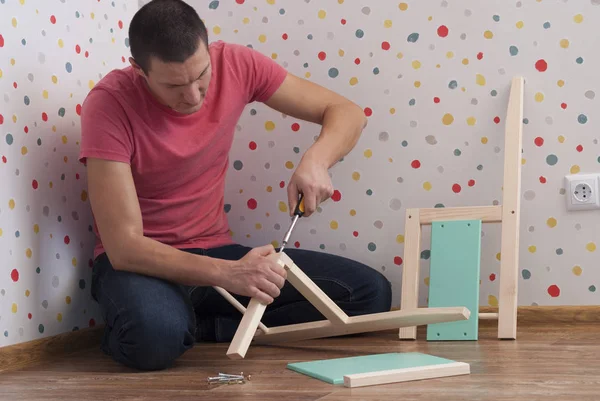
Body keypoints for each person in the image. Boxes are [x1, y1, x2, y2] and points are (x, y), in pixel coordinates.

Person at [79, 0, 392, 371]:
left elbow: (347, 113)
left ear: (208, 49)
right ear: (138, 70)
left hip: (215, 251)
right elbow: (124, 248)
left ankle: (209, 327)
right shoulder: (108, 104)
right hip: (145, 266)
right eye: (174, 86)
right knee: (152, 339)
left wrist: (317, 160)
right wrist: (231, 275)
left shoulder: (236, 64)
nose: (194, 96)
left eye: (201, 76)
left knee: (370, 293)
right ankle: (176, 324)